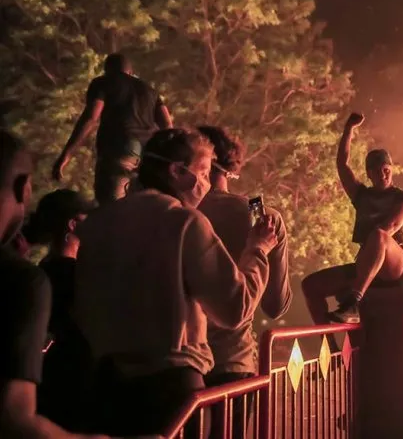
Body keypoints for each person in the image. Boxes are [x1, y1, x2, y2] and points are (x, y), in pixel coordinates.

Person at [73, 128, 273, 437]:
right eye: (203, 172)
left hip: (105, 383)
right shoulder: (184, 222)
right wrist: (257, 249)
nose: (205, 184)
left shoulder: (98, 223)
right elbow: (234, 308)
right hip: (169, 388)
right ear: (178, 171)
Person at [0, 130, 109, 439]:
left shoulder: (41, 271)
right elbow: (14, 418)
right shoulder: (29, 281)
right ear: (23, 188)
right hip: (69, 396)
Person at [197, 125, 291, 439]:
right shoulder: (257, 213)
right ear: (232, 165)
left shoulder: (176, 211)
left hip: (179, 359)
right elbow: (275, 305)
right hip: (232, 359)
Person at [301, 113, 403, 325]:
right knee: (310, 285)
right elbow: (342, 164)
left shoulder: (401, 197)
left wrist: (359, 272)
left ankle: (354, 302)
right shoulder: (361, 195)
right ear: (369, 174)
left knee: (379, 235)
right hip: (367, 265)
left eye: (386, 170)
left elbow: (392, 226)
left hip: (397, 267)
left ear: (391, 170)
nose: (383, 175)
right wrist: (348, 129)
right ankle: (329, 346)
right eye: (377, 171)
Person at [52, 53, 173, 205]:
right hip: (146, 157)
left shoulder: (103, 83)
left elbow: (91, 117)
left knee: (110, 211)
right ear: (130, 71)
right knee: (137, 213)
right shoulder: (150, 90)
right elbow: (168, 126)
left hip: (120, 149)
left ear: (108, 70)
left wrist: (66, 155)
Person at [22, 189, 96, 431]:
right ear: (73, 224)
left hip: (44, 381)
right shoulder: (77, 277)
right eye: (88, 219)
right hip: (73, 384)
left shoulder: (40, 272)